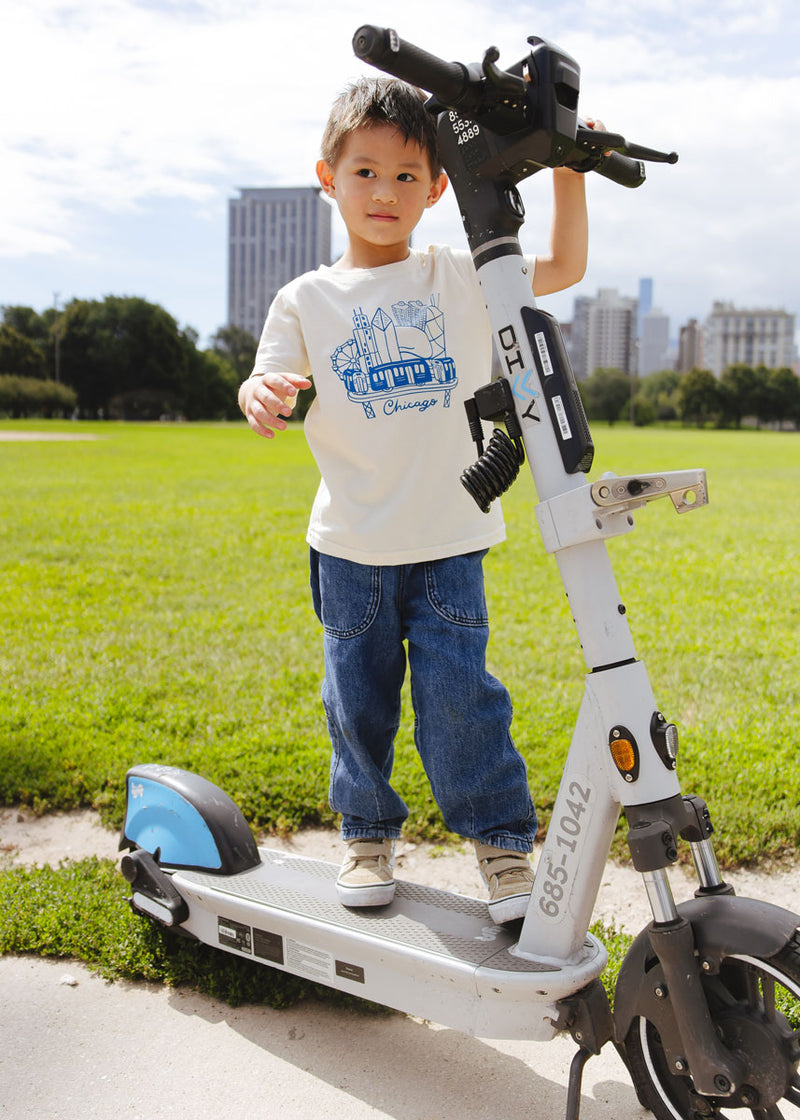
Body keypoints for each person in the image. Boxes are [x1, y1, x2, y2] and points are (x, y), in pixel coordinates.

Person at [239, 76, 593, 923]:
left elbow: (566, 268)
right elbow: (267, 373)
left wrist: (569, 170)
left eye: (406, 176)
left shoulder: (458, 274)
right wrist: (259, 392)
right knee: (355, 705)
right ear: (328, 178)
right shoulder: (305, 299)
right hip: (350, 548)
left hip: (448, 542)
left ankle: (503, 848)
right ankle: (367, 837)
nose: (384, 192)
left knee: (463, 705)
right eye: (365, 172)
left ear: (437, 188)